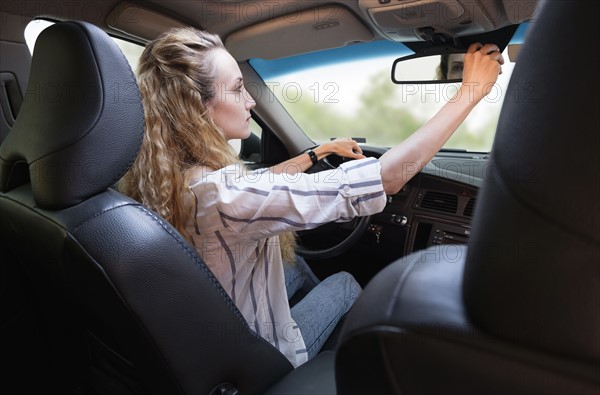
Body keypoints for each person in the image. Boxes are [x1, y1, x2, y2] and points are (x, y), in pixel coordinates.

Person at [122, 27, 503, 367]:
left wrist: (317, 153)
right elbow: (387, 177)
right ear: (196, 108)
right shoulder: (226, 196)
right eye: (238, 89)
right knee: (346, 281)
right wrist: (470, 92)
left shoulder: (172, 179)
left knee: (299, 269)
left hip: (210, 329)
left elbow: (258, 187)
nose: (251, 102)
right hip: (261, 352)